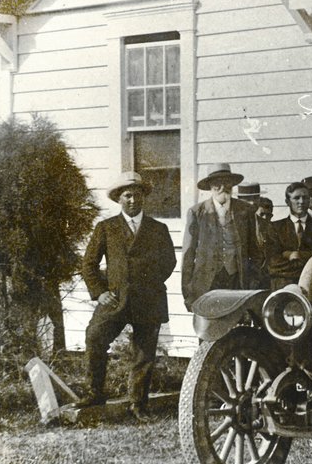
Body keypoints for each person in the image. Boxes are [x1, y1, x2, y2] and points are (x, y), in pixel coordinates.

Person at [78, 172, 176, 420]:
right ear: (118, 199)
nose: (133, 200)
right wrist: (100, 293)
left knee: (144, 354)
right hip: (115, 299)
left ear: (144, 197)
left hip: (148, 299)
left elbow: (168, 262)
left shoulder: (158, 229)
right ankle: (94, 393)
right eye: (127, 195)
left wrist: (148, 284)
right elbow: (89, 264)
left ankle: (138, 404)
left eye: (137, 194)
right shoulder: (106, 228)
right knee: (94, 336)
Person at [181, 163, 263, 311]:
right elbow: (188, 255)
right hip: (206, 283)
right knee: (208, 329)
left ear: (232, 184)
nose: (222, 187)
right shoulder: (197, 212)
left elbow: (255, 252)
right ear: (210, 187)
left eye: (226, 183)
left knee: (236, 327)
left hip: (237, 281)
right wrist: (188, 293)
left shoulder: (245, 210)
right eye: (217, 184)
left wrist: (253, 281)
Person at [269, 181, 312, 290]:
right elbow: (272, 265)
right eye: (296, 198)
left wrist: (294, 255)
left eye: (305, 197)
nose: (301, 202)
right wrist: (308, 260)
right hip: (283, 287)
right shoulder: (275, 228)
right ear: (287, 202)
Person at [236, 182, 280, 285]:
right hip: (239, 279)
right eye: (247, 199)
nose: (251, 203)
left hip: (260, 279)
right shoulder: (232, 223)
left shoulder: (265, 224)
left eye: (255, 198)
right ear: (238, 200)